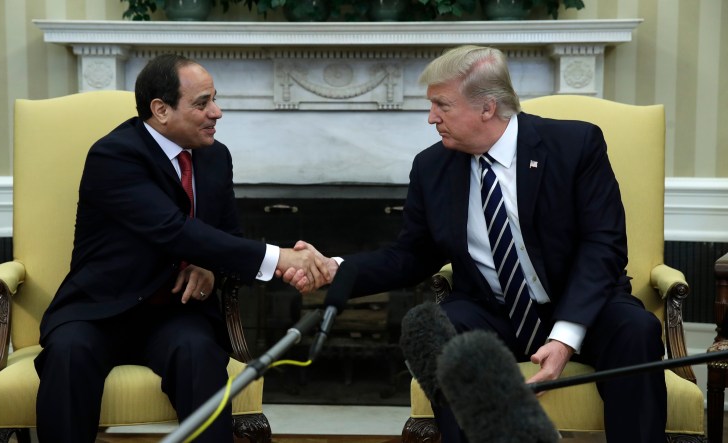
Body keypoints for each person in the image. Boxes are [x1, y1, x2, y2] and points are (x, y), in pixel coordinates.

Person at [284, 45, 666, 443]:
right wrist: (335, 269)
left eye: (442, 105)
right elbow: (411, 255)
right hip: (493, 311)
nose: (432, 118)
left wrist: (564, 337)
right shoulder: (432, 166)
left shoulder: (575, 146)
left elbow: (602, 246)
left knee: (636, 329)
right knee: (435, 329)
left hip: (582, 305)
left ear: (487, 108)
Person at [34, 54, 329, 443]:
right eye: (202, 103)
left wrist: (210, 268)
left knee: (199, 353)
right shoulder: (115, 155)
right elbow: (171, 230)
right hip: (100, 308)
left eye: (215, 100)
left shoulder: (214, 156)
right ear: (161, 110)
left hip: (175, 311)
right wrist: (280, 258)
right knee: (68, 355)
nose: (217, 113)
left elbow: (227, 237)